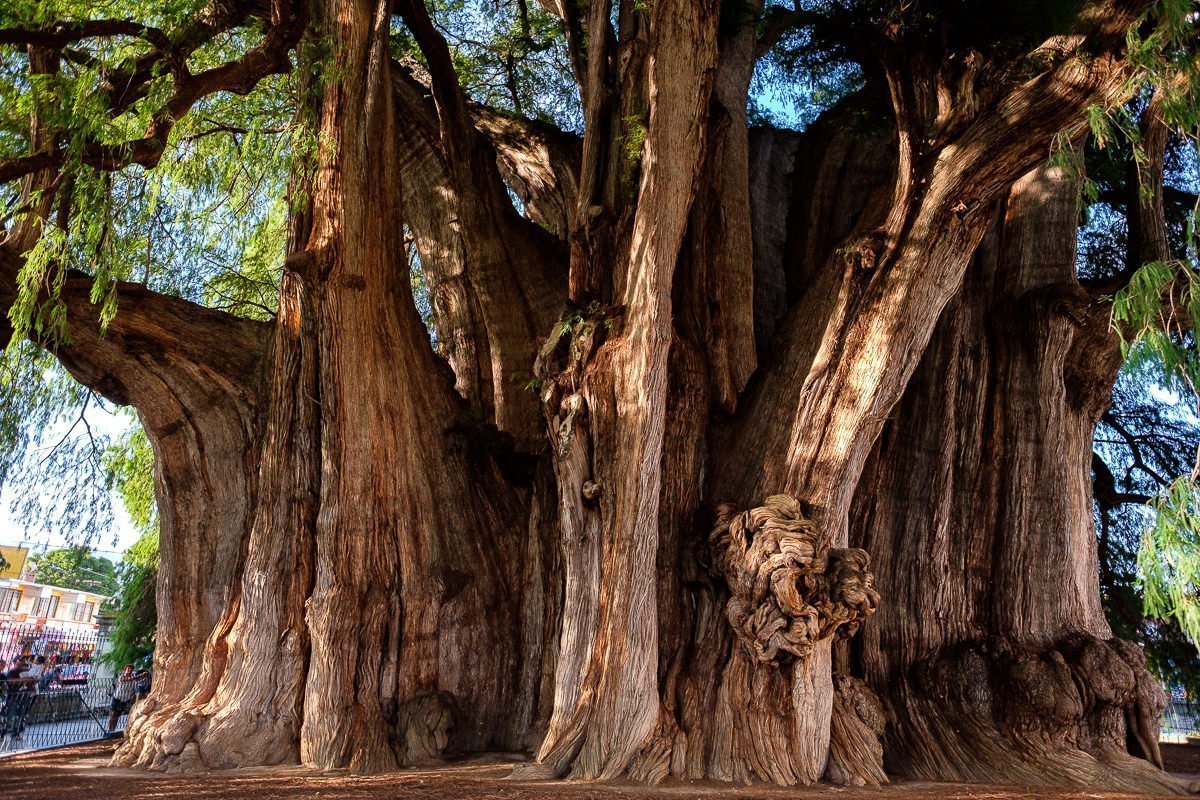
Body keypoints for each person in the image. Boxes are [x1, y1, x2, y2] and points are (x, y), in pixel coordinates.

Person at [107, 664, 137, 733]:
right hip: (117, 697)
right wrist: (139, 676)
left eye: (131, 669)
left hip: (125, 699)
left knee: (118, 714)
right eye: (128, 668)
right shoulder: (122, 677)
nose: (129, 670)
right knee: (113, 713)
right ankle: (109, 729)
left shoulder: (134, 679)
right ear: (125, 669)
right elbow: (124, 680)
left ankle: (113, 729)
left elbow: (133, 688)